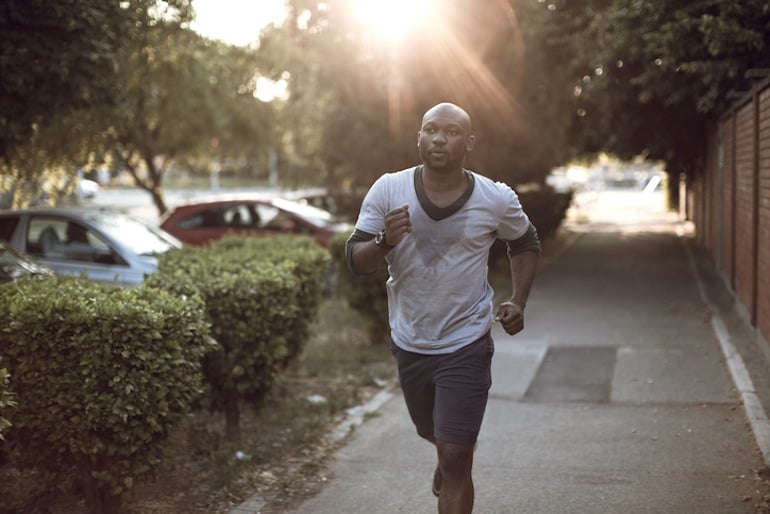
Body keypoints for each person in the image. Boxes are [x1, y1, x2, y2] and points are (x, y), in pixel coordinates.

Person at [345, 102, 541, 513]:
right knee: (430, 431)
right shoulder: (389, 189)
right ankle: (446, 452)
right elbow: (355, 259)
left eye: (451, 132)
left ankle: (452, 458)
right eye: (430, 130)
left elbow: (524, 242)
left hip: (466, 340)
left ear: (468, 142)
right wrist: (384, 242)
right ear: (418, 137)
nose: (438, 138)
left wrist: (518, 301)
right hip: (411, 339)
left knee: (457, 456)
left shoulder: (494, 197)